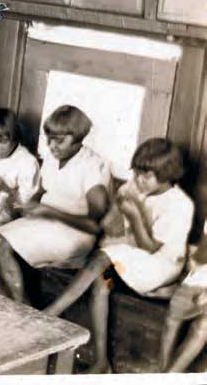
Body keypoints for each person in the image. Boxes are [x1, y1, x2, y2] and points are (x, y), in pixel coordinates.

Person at [43, 138, 193, 373]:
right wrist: (115, 215)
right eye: (137, 173)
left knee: (103, 257)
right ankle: (102, 361)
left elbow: (152, 249)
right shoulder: (133, 187)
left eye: (147, 176)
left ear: (167, 174)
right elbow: (113, 229)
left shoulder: (180, 204)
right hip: (129, 258)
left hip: (160, 264)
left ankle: (50, 314)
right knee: (102, 282)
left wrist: (135, 217)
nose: (138, 181)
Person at [0, 105, 111, 304]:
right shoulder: (51, 159)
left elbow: (95, 226)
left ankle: (22, 313)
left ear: (78, 137)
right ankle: (18, 310)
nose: (51, 145)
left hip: (74, 234)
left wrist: (50, 212)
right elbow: (40, 193)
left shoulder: (92, 166)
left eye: (59, 140)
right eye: (49, 138)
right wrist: (25, 204)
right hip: (44, 224)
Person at [0, 107, 40, 208]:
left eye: (3, 142)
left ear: (15, 136)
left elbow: (24, 204)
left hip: (4, 212)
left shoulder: (28, 162)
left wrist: (4, 187)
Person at [161, 235, 207, 372]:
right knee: (175, 310)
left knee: (201, 326)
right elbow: (199, 257)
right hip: (202, 278)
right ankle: (163, 373)